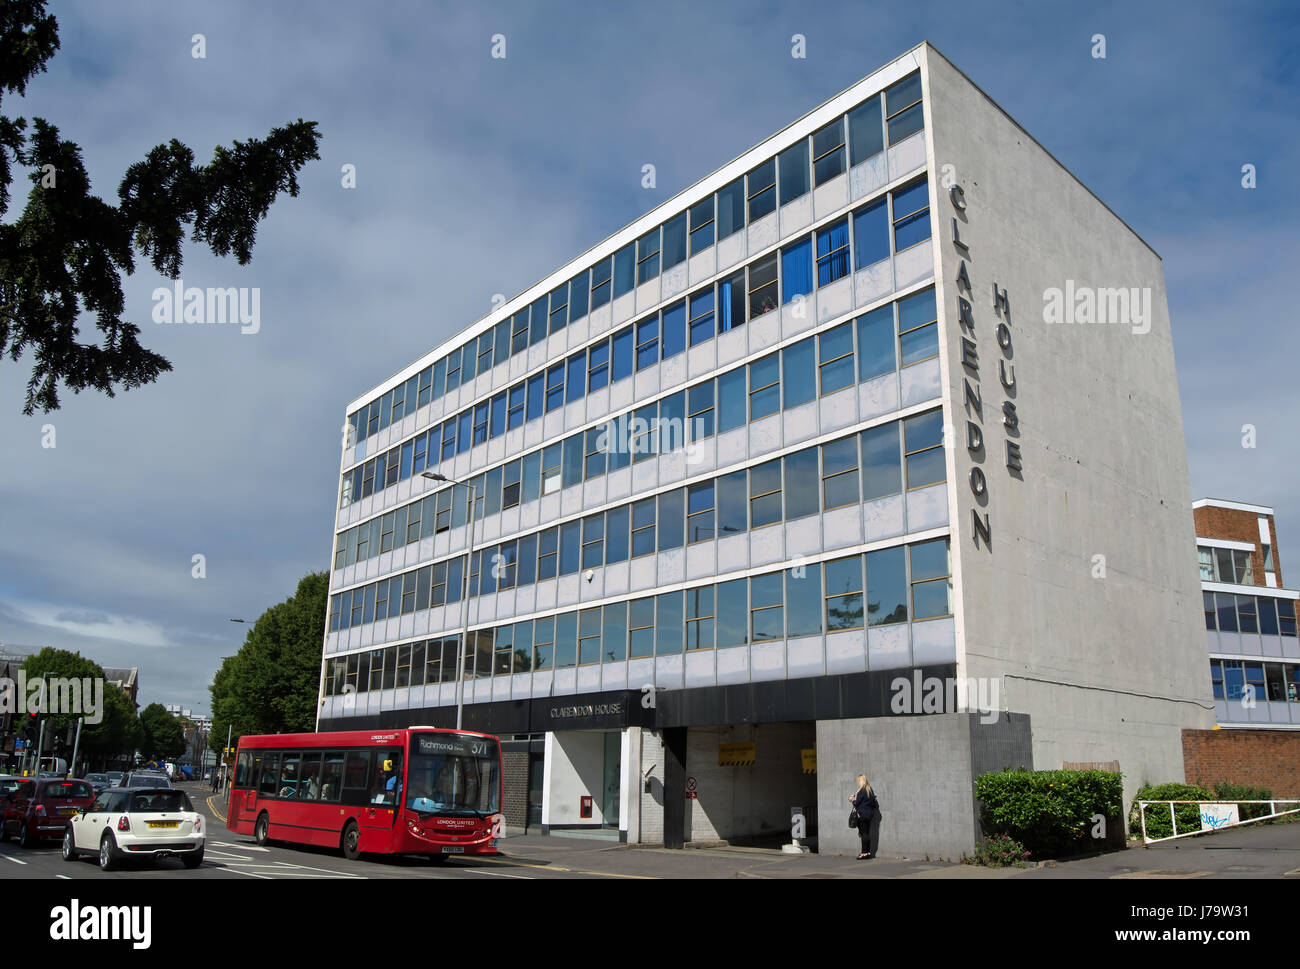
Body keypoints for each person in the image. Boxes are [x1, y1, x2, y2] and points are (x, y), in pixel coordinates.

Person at [848, 774, 879, 860]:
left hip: (862, 815)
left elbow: (856, 803)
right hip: (869, 815)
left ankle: (864, 853)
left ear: (861, 781)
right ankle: (868, 852)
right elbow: (873, 804)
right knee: (867, 833)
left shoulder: (862, 791)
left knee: (863, 834)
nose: (858, 783)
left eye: (858, 781)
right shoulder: (870, 790)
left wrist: (852, 800)